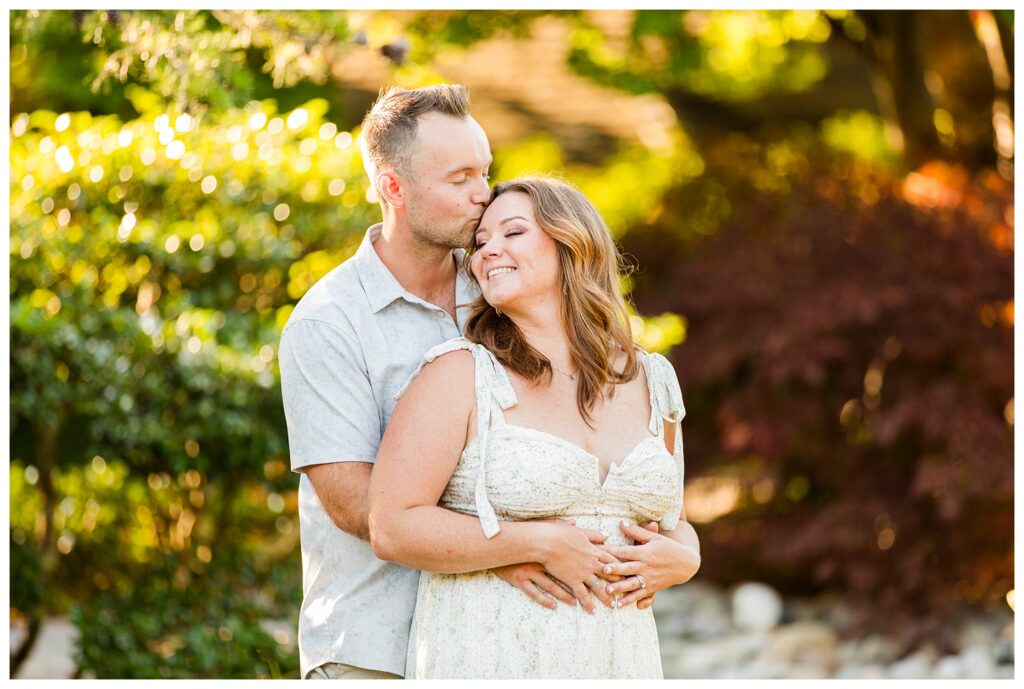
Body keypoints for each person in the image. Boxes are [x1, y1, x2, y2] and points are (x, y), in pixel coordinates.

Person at [278, 85, 623, 680]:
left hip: (499, 640)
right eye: (459, 177)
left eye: (484, 172)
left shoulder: (503, 282)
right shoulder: (328, 322)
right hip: (373, 646)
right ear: (394, 188)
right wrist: (513, 550)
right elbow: (357, 504)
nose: (482, 195)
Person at [368, 177, 702, 679]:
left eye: (512, 233)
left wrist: (687, 559)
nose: (486, 252)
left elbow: (673, 522)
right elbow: (392, 526)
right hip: (491, 657)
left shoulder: (652, 380)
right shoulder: (459, 374)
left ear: (572, 242)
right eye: (480, 242)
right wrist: (535, 543)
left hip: (623, 661)